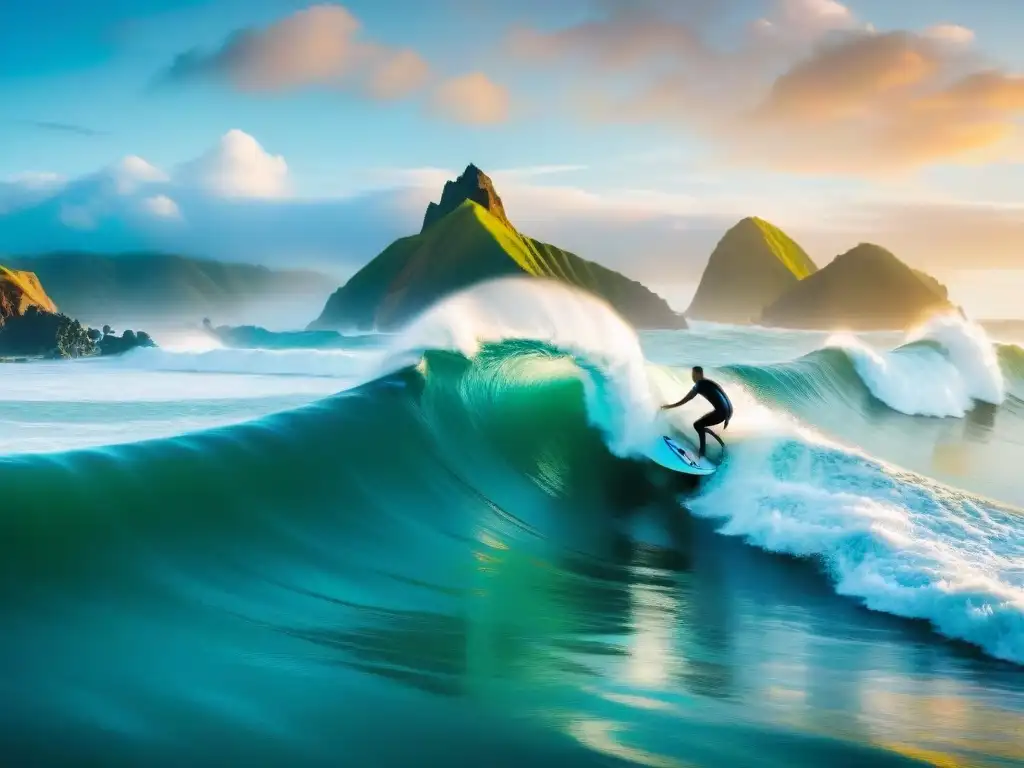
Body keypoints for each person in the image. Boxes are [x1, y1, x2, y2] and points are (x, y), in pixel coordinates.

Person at [660, 367, 733, 458]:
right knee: (700, 425)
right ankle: (718, 441)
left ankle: (702, 453)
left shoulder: (699, 385)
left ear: (699, 374)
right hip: (725, 412)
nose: (692, 377)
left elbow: (685, 400)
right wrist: (728, 417)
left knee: (698, 425)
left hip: (720, 413)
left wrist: (669, 406)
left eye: (693, 375)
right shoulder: (709, 382)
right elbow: (725, 397)